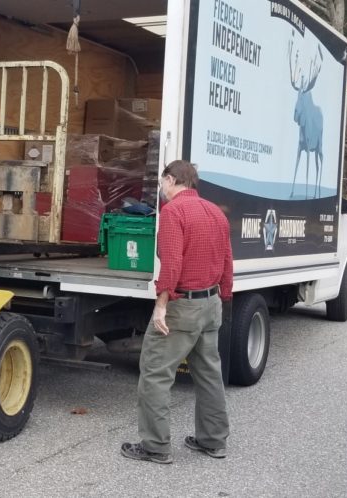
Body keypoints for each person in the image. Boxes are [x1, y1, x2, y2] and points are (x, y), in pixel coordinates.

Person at [121, 160, 233, 464]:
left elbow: (171, 264)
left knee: (155, 373)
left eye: (162, 183)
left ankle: (155, 447)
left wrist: (161, 306)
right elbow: (226, 260)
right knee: (209, 375)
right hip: (210, 304)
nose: (161, 189)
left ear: (171, 180)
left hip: (182, 306)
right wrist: (224, 295)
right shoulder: (216, 213)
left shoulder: (174, 212)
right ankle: (213, 442)